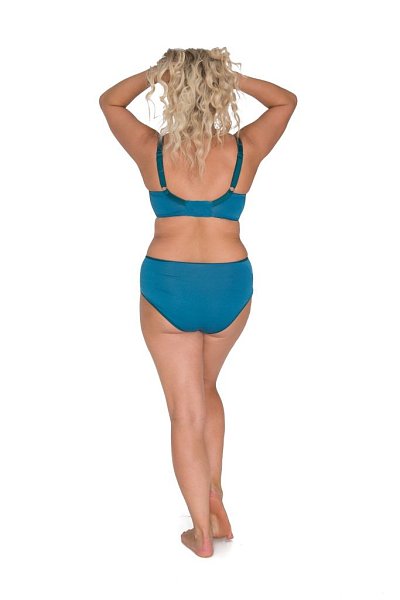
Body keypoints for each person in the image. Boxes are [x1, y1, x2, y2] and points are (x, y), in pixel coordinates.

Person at [99, 47, 297, 558]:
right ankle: (215, 499)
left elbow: (110, 102)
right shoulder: (244, 149)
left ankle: (201, 535)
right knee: (206, 388)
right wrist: (226, 78)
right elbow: (285, 101)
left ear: (173, 90)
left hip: (169, 285)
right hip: (229, 285)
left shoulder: (152, 149)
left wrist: (156, 74)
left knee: (186, 411)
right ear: (216, 92)